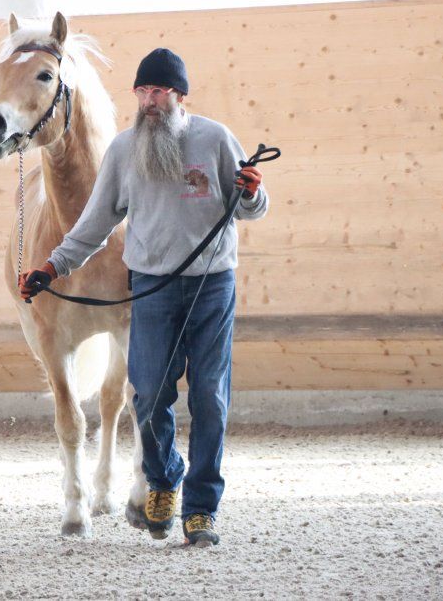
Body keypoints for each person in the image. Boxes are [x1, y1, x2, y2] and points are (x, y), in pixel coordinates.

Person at [18, 48, 269, 547]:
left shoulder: (216, 139)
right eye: (142, 92)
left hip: (211, 286)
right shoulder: (124, 150)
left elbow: (249, 209)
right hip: (151, 288)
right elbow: (95, 222)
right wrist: (52, 266)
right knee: (149, 394)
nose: (149, 101)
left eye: (158, 92)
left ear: (180, 96)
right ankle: (163, 481)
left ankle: (202, 510)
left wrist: (252, 193)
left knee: (210, 397)